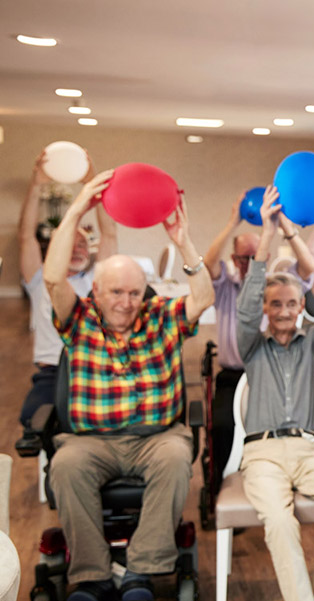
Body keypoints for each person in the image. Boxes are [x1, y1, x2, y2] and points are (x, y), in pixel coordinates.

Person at [43, 171, 214, 601]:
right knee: (65, 466)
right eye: (116, 292)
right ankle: (92, 576)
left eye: (134, 293)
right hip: (92, 442)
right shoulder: (77, 320)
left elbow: (204, 297)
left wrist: (183, 242)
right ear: (96, 291)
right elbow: (51, 277)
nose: (125, 302)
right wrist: (80, 206)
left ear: (145, 293)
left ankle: (141, 572)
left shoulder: (160, 316)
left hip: (156, 438)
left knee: (178, 456)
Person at [236, 198, 314, 601]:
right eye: (277, 305)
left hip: (309, 450)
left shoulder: (313, 343)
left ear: (299, 308)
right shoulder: (252, 346)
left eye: (292, 304)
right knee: (279, 520)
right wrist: (268, 235)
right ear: (267, 311)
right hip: (264, 453)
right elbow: (242, 315)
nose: (286, 311)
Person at [203, 186, 314, 488]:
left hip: (274, 371)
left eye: (256, 257)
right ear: (235, 258)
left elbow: (309, 269)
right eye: (243, 257)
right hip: (233, 374)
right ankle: (222, 486)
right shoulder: (226, 286)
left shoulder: (277, 288)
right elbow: (207, 264)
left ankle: (283, 480)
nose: (248, 262)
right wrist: (232, 222)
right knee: (224, 427)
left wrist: (285, 228)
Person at [17, 150, 117, 427]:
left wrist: (93, 182)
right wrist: (36, 184)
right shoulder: (40, 279)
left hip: (95, 368)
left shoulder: (98, 279)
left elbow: (109, 233)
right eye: (70, 244)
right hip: (52, 372)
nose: (76, 249)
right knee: (33, 419)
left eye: (82, 244)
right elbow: (25, 237)